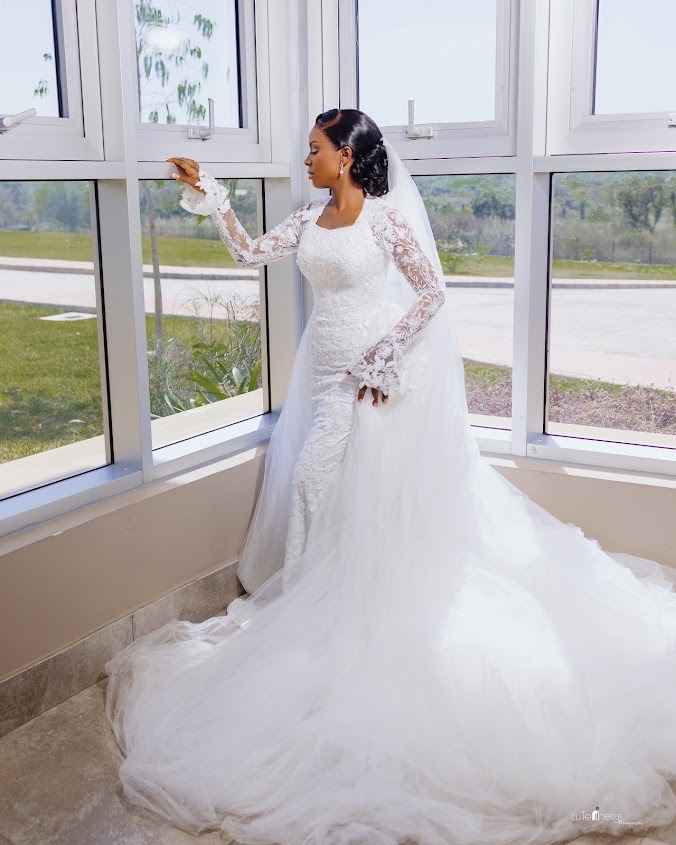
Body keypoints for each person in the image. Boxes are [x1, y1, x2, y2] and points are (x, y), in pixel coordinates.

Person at [104, 108, 676, 845]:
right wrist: (210, 192)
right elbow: (250, 253)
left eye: (313, 149)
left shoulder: (387, 222)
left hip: (374, 379)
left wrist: (384, 354)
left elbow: (431, 293)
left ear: (345, 156)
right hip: (323, 374)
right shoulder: (310, 219)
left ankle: (336, 622)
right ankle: (314, 608)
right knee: (321, 488)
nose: (304, 158)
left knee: (337, 488)